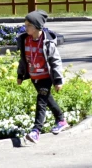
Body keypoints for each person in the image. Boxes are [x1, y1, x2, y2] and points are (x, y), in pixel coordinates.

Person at [17, 10, 68, 143]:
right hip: (34, 77)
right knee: (47, 99)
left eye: (28, 25)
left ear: (37, 26)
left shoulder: (48, 43)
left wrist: (57, 80)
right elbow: (23, 59)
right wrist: (20, 74)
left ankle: (36, 131)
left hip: (45, 77)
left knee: (41, 101)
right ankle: (61, 120)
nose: (25, 27)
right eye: (25, 25)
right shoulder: (25, 40)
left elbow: (55, 61)